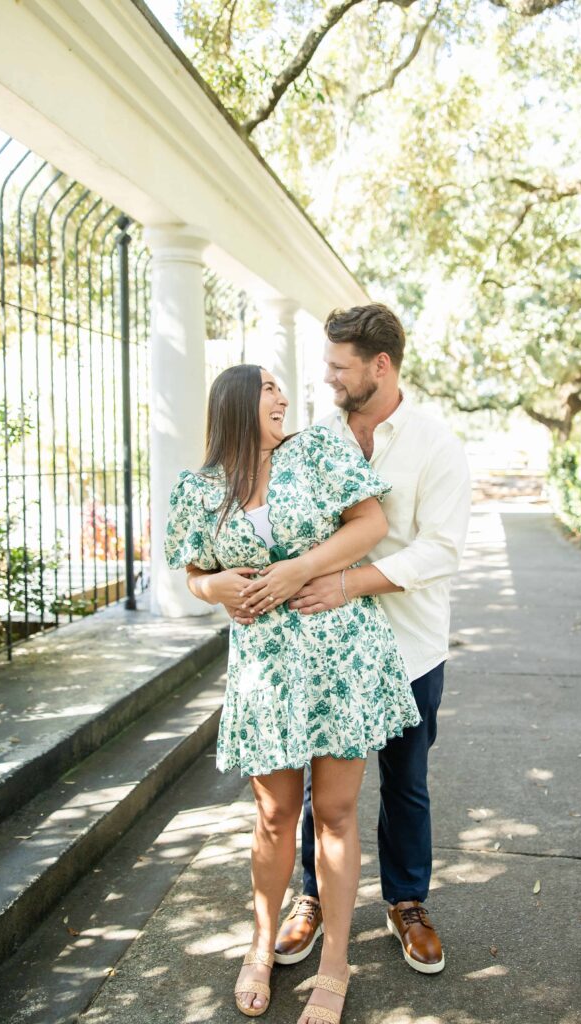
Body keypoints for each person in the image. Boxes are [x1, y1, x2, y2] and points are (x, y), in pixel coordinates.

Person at [164, 364, 420, 1024]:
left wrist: (298, 570)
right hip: (265, 669)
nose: (282, 397)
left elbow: (369, 523)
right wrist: (213, 587)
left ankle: (335, 962)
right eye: (268, 388)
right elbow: (194, 573)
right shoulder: (199, 489)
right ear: (234, 403)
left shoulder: (319, 451)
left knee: (334, 812)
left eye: (282, 388)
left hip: (340, 654)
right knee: (274, 815)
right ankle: (258, 947)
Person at [236, 304, 471, 976]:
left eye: (339, 366)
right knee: (322, 791)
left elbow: (441, 550)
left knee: (405, 782)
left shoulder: (436, 445)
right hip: (326, 650)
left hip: (408, 645)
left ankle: (407, 902)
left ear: (380, 366)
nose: (328, 377)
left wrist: (348, 583)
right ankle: (312, 896)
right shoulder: (312, 441)